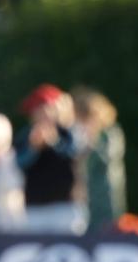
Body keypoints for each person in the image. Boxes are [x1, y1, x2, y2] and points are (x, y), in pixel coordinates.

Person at [14, 83, 87, 234]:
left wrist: (54, 143)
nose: (39, 114)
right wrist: (33, 149)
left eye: (43, 108)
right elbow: (18, 164)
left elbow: (74, 155)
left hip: (65, 206)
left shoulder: (70, 133)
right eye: (35, 110)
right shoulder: (26, 135)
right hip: (34, 207)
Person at [72, 86, 127, 231]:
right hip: (83, 201)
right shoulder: (76, 135)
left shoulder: (111, 134)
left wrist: (91, 140)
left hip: (106, 198)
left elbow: (105, 158)